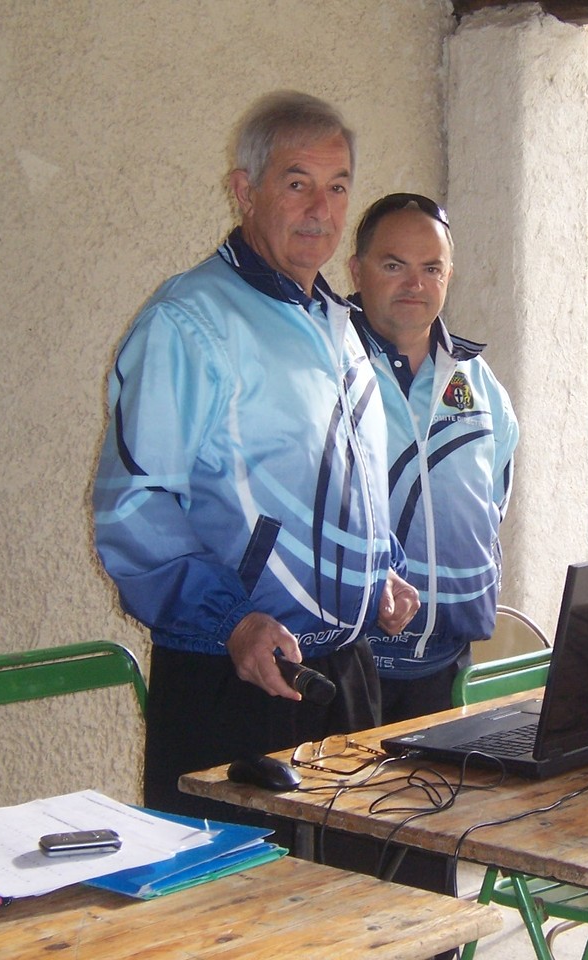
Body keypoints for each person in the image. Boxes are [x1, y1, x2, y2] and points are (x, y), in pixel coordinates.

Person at [92, 91, 419, 821]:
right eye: (297, 182)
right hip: (233, 685)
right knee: (242, 928)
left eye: (337, 188)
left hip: (346, 679)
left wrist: (383, 568)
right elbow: (136, 508)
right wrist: (231, 621)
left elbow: (341, 482)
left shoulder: (338, 325)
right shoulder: (187, 322)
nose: (321, 210)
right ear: (244, 191)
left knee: (356, 921)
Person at [346, 193, 519, 724]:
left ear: (448, 276)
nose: (414, 284)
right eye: (394, 265)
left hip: (448, 664)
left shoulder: (477, 380)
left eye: (431, 268)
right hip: (353, 663)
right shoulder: (329, 368)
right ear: (357, 270)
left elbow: (494, 497)